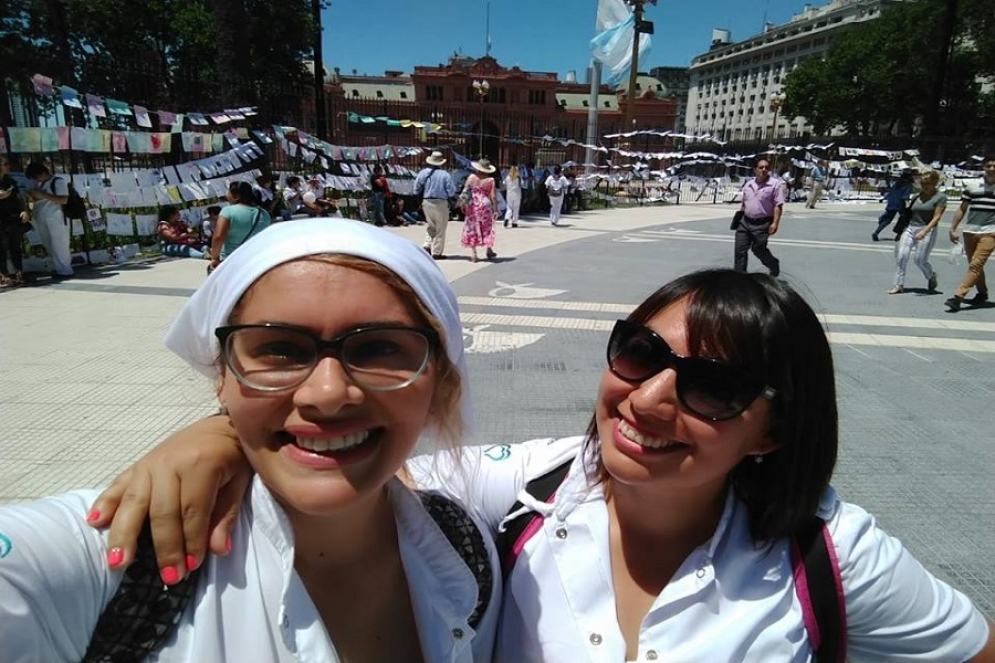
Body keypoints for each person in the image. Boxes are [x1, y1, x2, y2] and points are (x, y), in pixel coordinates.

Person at [87, 269, 994, 662]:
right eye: (639, 352)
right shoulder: (518, 489)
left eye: (711, 386)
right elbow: (349, 462)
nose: (646, 400)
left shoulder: (827, 550)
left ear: (769, 434)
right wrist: (219, 434)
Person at [0, 219, 500, 662]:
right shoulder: (113, 557)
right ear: (222, 374)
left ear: (440, 378)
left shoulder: (464, 546)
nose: (327, 394)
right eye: (280, 350)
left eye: (380, 347)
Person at [946, 155, 995, 312]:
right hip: (970, 231)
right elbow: (962, 208)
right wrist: (953, 228)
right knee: (974, 265)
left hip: (990, 232)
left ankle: (958, 297)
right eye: (989, 165)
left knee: (976, 265)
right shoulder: (973, 186)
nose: (992, 169)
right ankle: (982, 293)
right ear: (984, 167)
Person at [887, 170, 944, 295]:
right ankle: (898, 284)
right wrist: (900, 231)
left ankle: (930, 276)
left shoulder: (940, 198)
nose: (924, 186)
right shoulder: (916, 196)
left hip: (927, 229)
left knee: (919, 260)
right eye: (922, 183)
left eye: (927, 183)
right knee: (901, 256)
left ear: (934, 183)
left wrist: (924, 231)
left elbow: (937, 217)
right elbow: (908, 214)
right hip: (910, 227)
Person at [733, 158, 783, 277]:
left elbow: (778, 205)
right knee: (739, 250)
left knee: (758, 249)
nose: (764, 170)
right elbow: (744, 203)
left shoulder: (775, 184)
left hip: (763, 223)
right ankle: (740, 278)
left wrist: (775, 223)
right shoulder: (749, 184)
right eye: (761, 167)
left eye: (766, 167)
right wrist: (739, 216)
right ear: (755, 170)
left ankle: (773, 263)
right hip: (745, 222)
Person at [24, 162, 73, 279]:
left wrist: (41, 194)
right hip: (43, 216)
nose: (36, 179)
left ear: (44, 172)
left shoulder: (58, 181)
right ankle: (58, 268)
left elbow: (63, 200)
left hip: (56, 217)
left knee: (59, 244)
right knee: (49, 243)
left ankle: (65, 270)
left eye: (37, 176)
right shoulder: (40, 184)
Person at [210, 181, 271, 273]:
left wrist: (214, 257)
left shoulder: (228, 211)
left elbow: (218, 237)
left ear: (236, 196)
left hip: (231, 260)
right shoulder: (264, 214)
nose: (227, 195)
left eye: (228, 192)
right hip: (256, 260)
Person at [413, 150, 457, 260]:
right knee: (440, 228)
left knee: (431, 225)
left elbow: (415, 189)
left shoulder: (423, 173)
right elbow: (451, 191)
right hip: (441, 202)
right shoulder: (445, 175)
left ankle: (426, 244)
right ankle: (437, 252)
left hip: (426, 201)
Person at [460, 159, 499, 263]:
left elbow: (465, 191)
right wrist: (495, 209)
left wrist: (463, 203)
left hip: (473, 204)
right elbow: (493, 196)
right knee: (487, 228)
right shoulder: (491, 180)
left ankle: (474, 254)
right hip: (485, 204)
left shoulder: (472, 177)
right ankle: (489, 249)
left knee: (472, 227)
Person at [0, 157, 29, 286]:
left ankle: (18, 272)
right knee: (1, 248)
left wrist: (24, 210)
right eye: (5, 164)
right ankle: (4, 275)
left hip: (12, 218)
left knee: (15, 246)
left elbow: (19, 196)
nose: (8, 166)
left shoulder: (10, 180)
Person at [872, 171, 915, 241]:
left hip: (892, 202)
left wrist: (884, 199)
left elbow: (891, 192)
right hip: (900, 203)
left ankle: (876, 232)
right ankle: (899, 233)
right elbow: (905, 197)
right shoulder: (908, 185)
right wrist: (908, 206)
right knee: (904, 218)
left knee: (888, 219)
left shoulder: (897, 183)